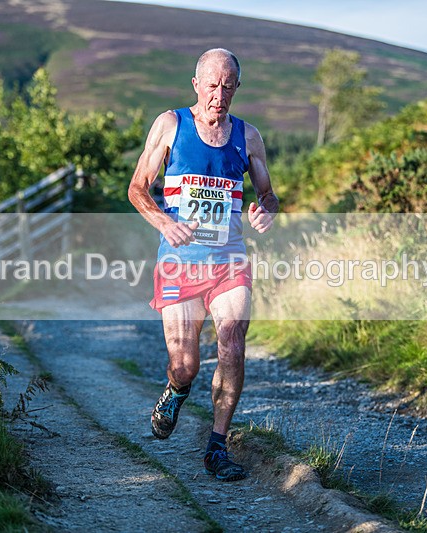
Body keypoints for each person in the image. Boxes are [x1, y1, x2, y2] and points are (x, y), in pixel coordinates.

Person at [128, 48, 278, 482]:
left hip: (229, 262)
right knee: (186, 364)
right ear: (196, 84)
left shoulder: (248, 136)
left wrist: (266, 208)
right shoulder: (170, 125)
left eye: (228, 85)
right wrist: (162, 222)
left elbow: (268, 193)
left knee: (231, 341)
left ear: (237, 87)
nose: (219, 94)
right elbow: (138, 187)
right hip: (179, 264)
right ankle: (176, 389)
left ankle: (217, 446)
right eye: (212, 85)